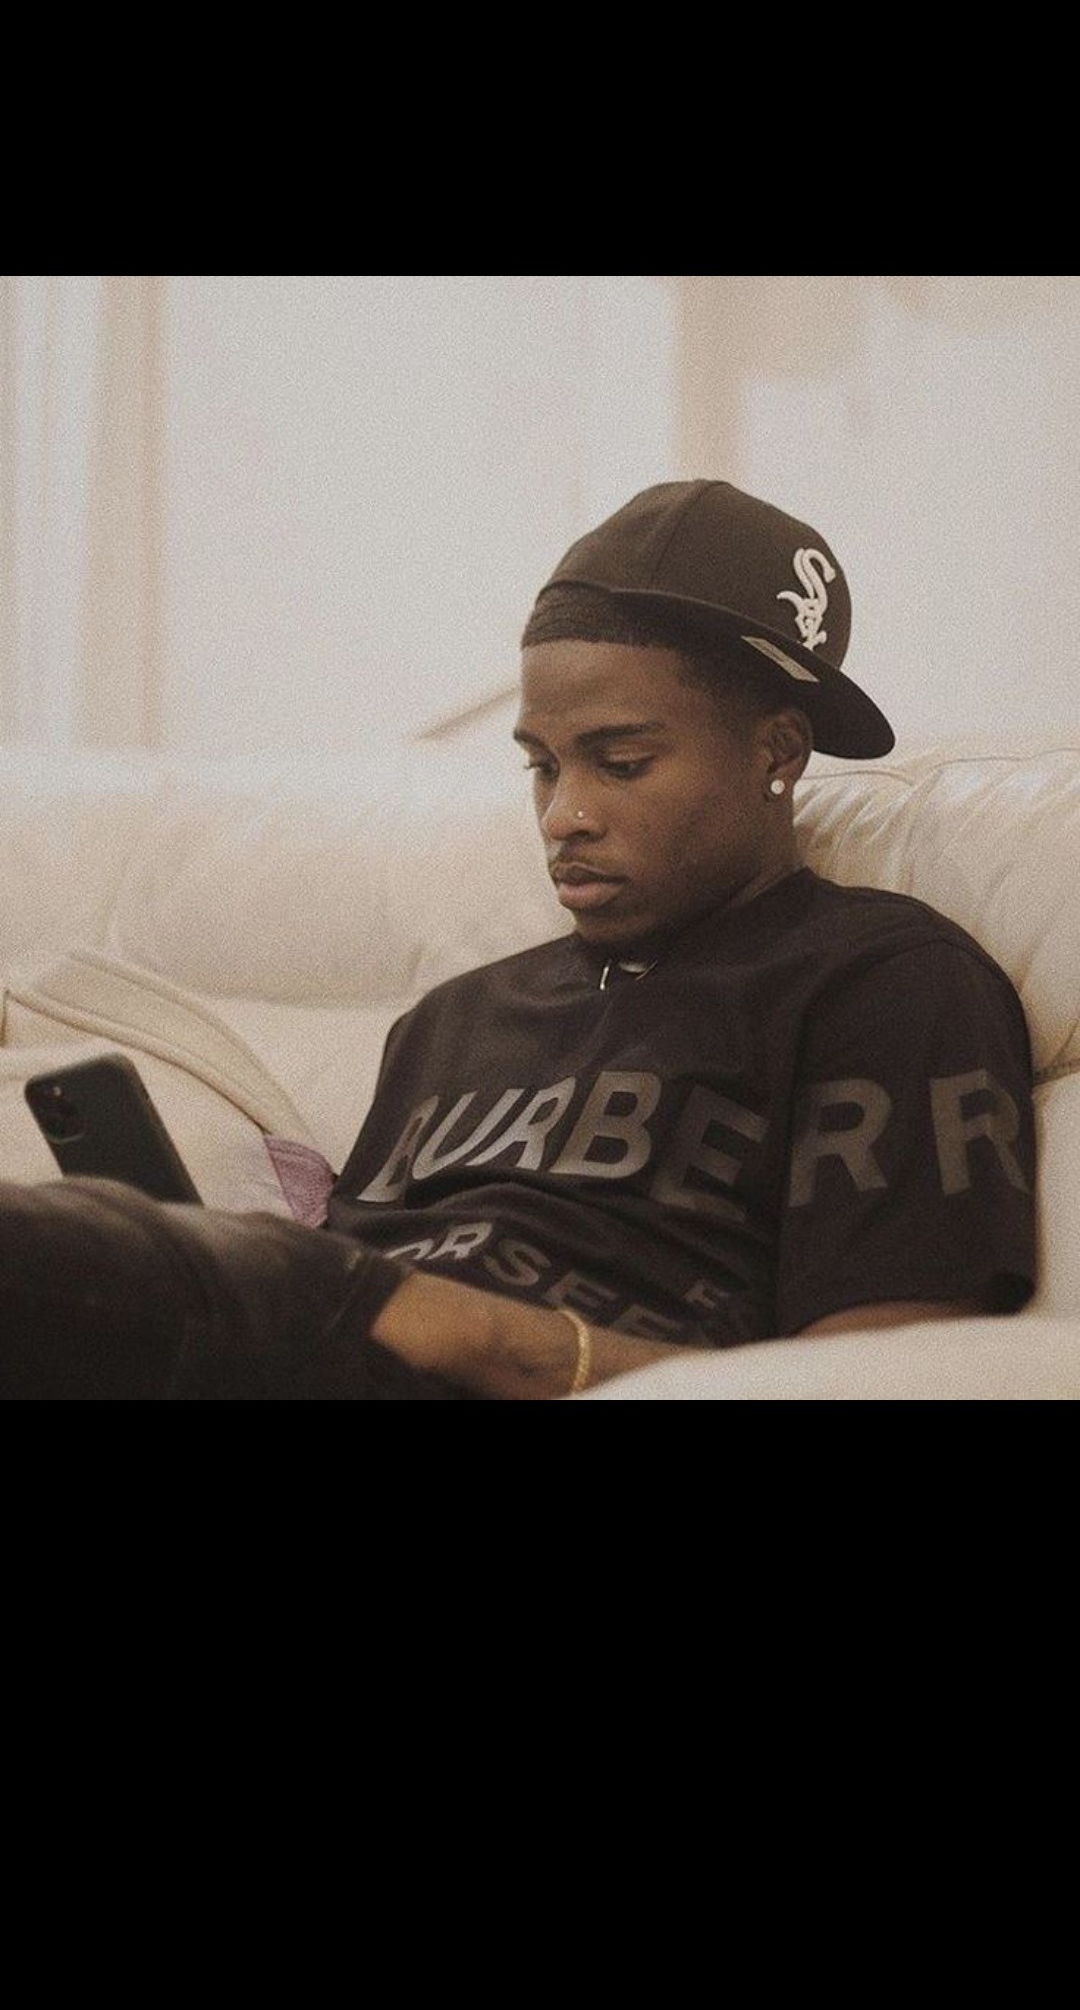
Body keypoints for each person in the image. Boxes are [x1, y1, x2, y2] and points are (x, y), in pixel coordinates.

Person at [0, 480, 1037, 1400]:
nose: (563, 816)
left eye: (620, 763)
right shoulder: (452, 1019)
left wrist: (512, 1346)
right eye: (542, 766)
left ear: (777, 752)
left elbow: (880, 1374)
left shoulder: (886, 982)